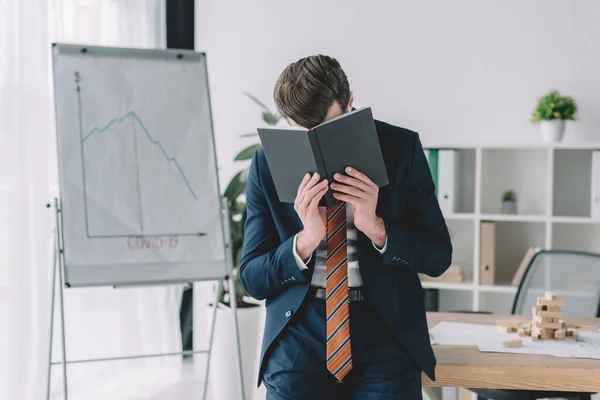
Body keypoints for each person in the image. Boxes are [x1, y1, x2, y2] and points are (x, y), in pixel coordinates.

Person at [240, 54, 452, 399]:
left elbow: (438, 257)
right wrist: (305, 241)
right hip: (301, 325)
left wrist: (377, 227)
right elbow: (252, 278)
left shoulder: (401, 148)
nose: (312, 141)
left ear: (350, 101)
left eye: (323, 129)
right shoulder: (266, 163)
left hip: (385, 325)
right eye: (299, 130)